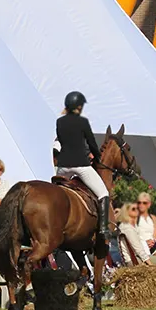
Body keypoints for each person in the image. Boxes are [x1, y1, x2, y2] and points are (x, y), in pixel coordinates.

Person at [54, 91, 110, 241]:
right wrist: (97, 156)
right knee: (103, 194)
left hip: (63, 167)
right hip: (81, 165)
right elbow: (91, 142)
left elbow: (62, 140)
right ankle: (104, 228)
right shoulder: (83, 122)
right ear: (79, 106)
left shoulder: (59, 122)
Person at [134, 191, 156, 261]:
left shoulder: (153, 218)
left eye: (144, 203)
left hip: (152, 245)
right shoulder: (134, 218)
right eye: (139, 202)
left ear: (149, 204)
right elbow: (133, 235)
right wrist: (145, 243)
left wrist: (152, 241)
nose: (141, 205)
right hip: (141, 246)